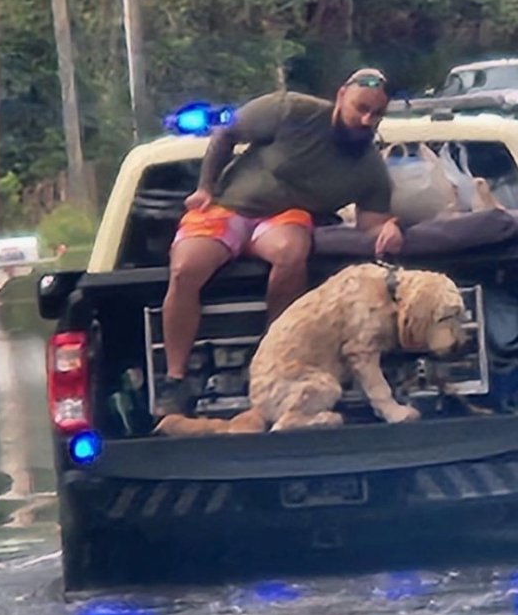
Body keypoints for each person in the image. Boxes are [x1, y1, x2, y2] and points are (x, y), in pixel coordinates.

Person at [157, 68, 403, 416]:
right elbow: (227, 134)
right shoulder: (290, 111)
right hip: (227, 208)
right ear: (341, 95)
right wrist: (205, 187)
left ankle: (272, 356)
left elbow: (371, 223)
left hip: (284, 218)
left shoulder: (369, 166)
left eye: (376, 114)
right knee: (185, 267)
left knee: (291, 254)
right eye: (360, 108)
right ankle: (176, 379)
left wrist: (390, 228)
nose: (366, 119)